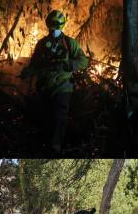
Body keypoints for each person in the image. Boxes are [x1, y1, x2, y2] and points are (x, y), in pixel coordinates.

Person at [20, 9, 89, 153]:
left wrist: (67, 65)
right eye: (51, 27)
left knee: (59, 117)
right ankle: (45, 146)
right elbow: (35, 64)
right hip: (44, 87)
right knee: (45, 117)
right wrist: (28, 72)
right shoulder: (42, 44)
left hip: (63, 87)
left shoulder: (70, 43)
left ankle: (56, 146)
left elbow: (83, 61)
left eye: (55, 28)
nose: (53, 31)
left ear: (61, 26)